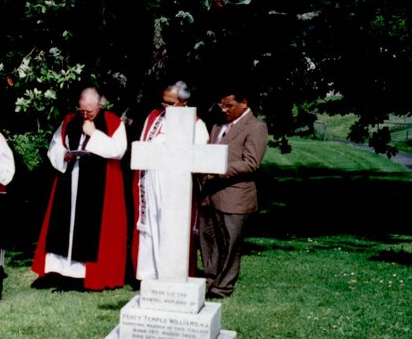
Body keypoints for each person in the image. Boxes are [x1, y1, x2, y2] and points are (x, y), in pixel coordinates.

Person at [32, 86, 128, 291]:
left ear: (100, 106)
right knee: (64, 223)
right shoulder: (69, 120)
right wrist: (64, 154)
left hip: (98, 185)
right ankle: (61, 271)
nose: (85, 114)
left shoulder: (113, 122)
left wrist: (94, 134)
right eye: (82, 110)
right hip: (70, 179)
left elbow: (118, 151)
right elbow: (55, 145)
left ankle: (85, 275)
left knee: (89, 225)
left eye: (90, 111)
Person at [132, 81, 209, 280]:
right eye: (163, 103)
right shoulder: (153, 118)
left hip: (177, 184)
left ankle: (174, 274)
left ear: (184, 102)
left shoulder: (196, 123)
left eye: (170, 103)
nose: (165, 107)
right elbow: (143, 149)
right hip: (152, 181)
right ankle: (150, 274)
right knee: (153, 224)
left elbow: (199, 156)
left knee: (173, 229)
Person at [198, 90, 268, 299]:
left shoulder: (256, 127)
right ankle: (210, 280)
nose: (224, 109)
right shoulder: (217, 126)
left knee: (230, 245)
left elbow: (251, 162)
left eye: (228, 105)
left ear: (244, 103)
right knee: (208, 241)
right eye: (221, 105)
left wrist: (217, 170)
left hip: (235, 197)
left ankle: (223, 287)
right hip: (209, 195)